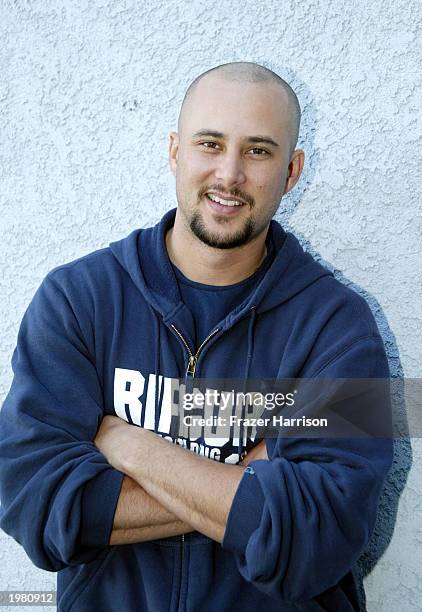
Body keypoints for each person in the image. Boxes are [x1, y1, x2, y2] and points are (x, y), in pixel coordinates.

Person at [0, 61, 392, 611]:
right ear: (175, 151)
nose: (228, 174)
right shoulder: (78, 299)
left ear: (293, 170)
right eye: (210, 143)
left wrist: (128, 446)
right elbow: (33, 504)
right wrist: (251, 480)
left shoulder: (340, 327)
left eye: (259, 151)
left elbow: (320, 536)